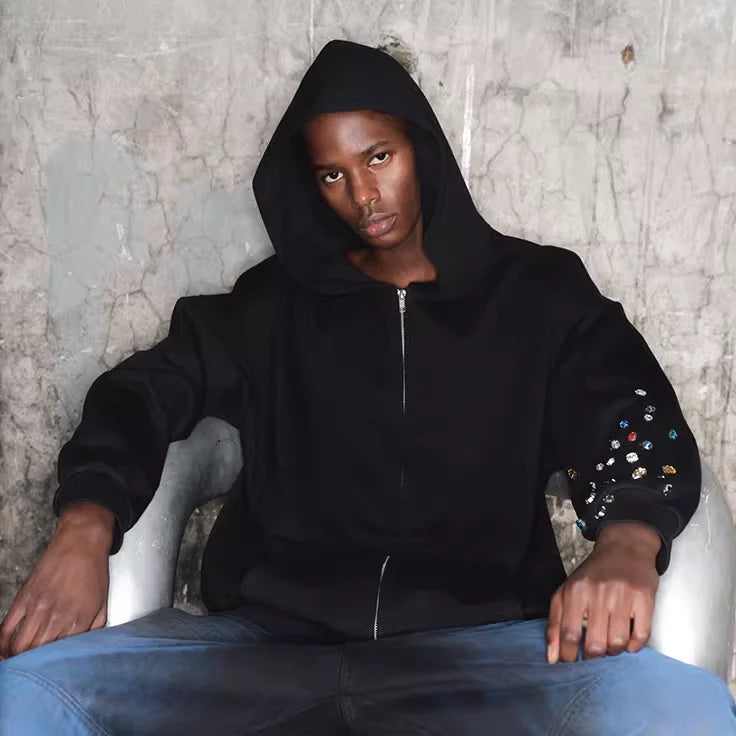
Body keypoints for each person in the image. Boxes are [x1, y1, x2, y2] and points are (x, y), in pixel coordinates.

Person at [0, 39, 734, 735]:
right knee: (28, 693)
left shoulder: (538, 294)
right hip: (266, 655)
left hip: (483, 659)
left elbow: (629, 407)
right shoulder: (271, 306)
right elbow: (140, 393)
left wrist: (629, 540)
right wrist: (85, 526)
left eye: (379, 156)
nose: (362, 194)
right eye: (332, 174)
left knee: (682, 707)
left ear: (421, 148)